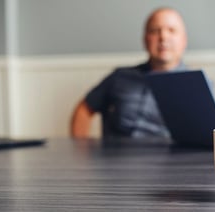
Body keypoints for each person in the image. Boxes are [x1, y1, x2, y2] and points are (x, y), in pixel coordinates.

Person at [70, 7, 188, 139]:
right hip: (116, 157)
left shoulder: (194, 85)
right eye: (155, 30)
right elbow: (84, 109)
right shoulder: (120, 77)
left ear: (184, 40)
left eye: (171, 30)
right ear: (145, 40)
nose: (163, 37)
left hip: (169, 157)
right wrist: (81, 151)